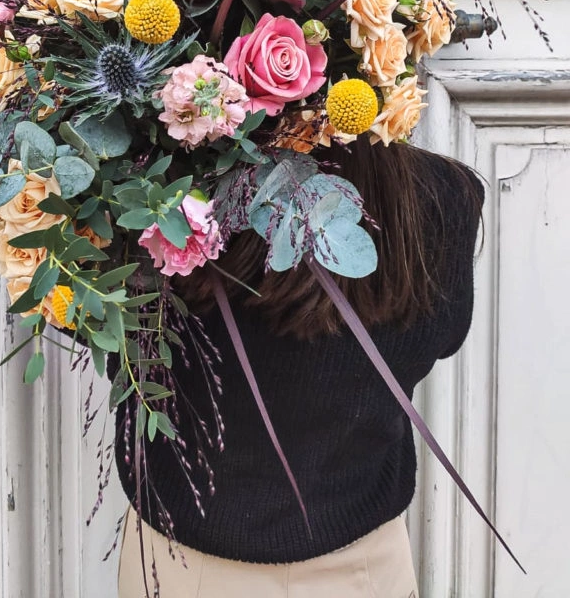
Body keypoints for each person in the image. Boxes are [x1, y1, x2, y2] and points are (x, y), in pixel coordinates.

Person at [114, 139, 485, 597]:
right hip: (362, 568)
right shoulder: (442, 196)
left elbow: (98, 332)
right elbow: (443, 338)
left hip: (178, 569)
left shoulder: (151, 194)